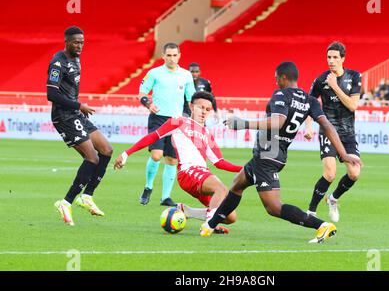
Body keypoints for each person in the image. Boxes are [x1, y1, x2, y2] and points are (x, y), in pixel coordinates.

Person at [199, 62, 362, 243]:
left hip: (268, 154)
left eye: (276, 77)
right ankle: (209, 226)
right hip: (276, 153)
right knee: (237, 185)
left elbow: (278, 121)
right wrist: (344, 154)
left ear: (283, 77)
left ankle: (322, 226)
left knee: (273, 207)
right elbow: (328, 126)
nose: (275, 80)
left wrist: (243, 124)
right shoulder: (310, 100)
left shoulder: (281, 94)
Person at [114, 91, 241, 233]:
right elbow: (153, 136)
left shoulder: (207, 134)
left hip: (203, 177)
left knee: (230, 216)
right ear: (192, 106)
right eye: (201, 107)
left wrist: (245, 169)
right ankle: (209, 225)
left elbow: (220, 162)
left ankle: (187, 211)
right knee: (221, 189)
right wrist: (126, 153)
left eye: (207, 109)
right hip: (189, 172)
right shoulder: (179, 121)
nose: (204, 112)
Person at [48, 26, 113, 226]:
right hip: (63, 116)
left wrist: (78, 106)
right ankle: (65, 202)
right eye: (76, 42)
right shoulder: (58, 62)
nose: (80, 46)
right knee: (91, 158)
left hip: (75, 112)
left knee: (106, 150)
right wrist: (78, 105)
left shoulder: (77, 59)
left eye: (82, 42)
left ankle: (87, 196)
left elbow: (69, 91)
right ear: (66, 41)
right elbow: (52, 94)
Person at [305, 42, 362, 222]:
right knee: (330, 173)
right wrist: (308, 127)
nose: (331, 61)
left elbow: (353, 106)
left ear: (343, 59)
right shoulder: (320, 80)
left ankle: (333, 198)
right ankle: (310, 213)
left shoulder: (354, 76)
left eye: (335, 57)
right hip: (328, 130)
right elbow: (310, 104)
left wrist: (335, 86)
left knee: (354, 173)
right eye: (329, 57)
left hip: (347, 132)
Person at [139, 43, 196, 207]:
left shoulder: (186, 75)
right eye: (168, 55)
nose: (172, 58)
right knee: (156, 155)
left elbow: (191, 98)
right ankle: (148, 187)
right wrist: (148, 104)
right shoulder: (154, 73)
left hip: (177, 121)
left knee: (171, 159)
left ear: (180, 55)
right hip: (158, 118)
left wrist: (194, 114)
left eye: (174, 55)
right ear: (163, 56)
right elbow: (142, 93)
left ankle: (165, 197)